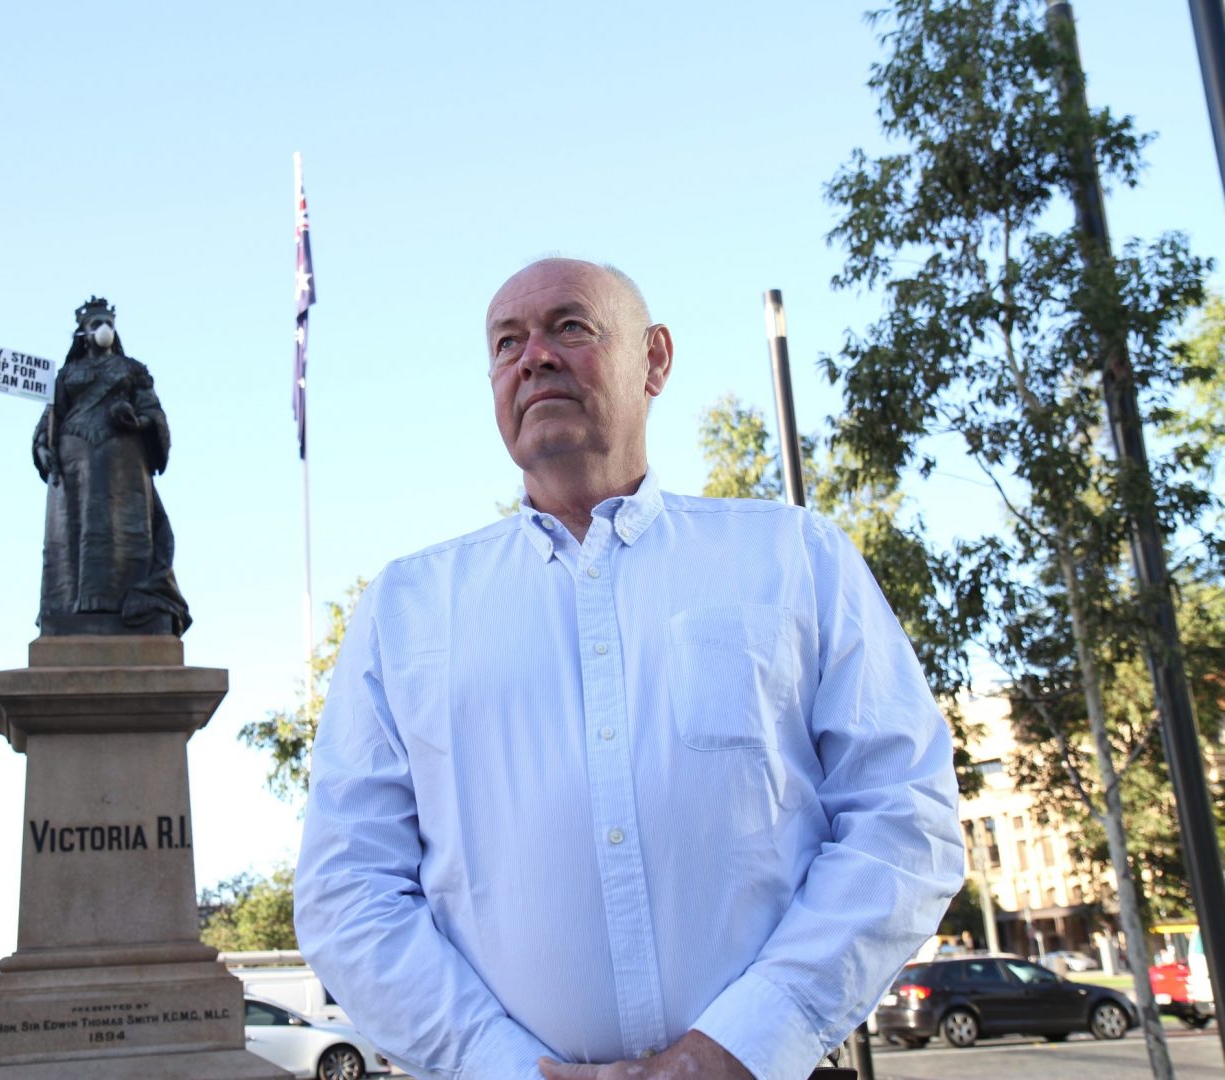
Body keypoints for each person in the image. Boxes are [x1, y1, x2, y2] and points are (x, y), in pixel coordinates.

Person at [293, 258, 964, 1080]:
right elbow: (348, 888)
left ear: (654, 360)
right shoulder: (406, 610)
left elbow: (905, 819)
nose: (533, 356)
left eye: (569, 326)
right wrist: (497, 1065)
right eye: (506, 342)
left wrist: (746, 1042)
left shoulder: (794, 559)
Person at [33, 296, 190, 636]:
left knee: (123, 533)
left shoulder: (132, 370)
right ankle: (72, 607)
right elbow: (50, 418)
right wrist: (43, 448)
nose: (102, 329)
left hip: (123, 464)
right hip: (73, 468)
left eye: (107, 323)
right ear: (83, 333)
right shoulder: (65, 375)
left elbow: (154, 412)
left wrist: (135, 420)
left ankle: (128, 603)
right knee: (73, 534)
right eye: (94, 324)